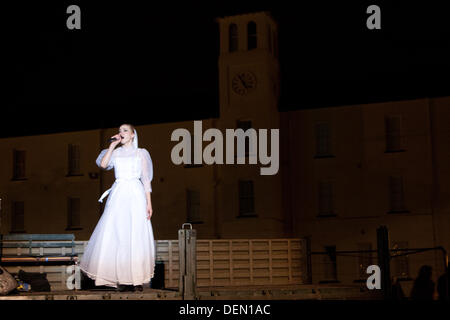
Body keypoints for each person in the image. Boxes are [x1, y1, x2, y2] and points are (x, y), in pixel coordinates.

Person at [79, 124, 156, 292]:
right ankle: (121, 279)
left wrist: (149, 203)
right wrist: (112, 145)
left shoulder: (141, 153)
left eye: (125, 130)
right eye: (120, 130)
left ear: (133, 134)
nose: (121, 133)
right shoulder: (116, 152)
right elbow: (103, 164)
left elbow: (146, 180)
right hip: (119, 194)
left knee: (135, 235)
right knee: (119, 235)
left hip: (135, 194)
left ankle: (136, 280)